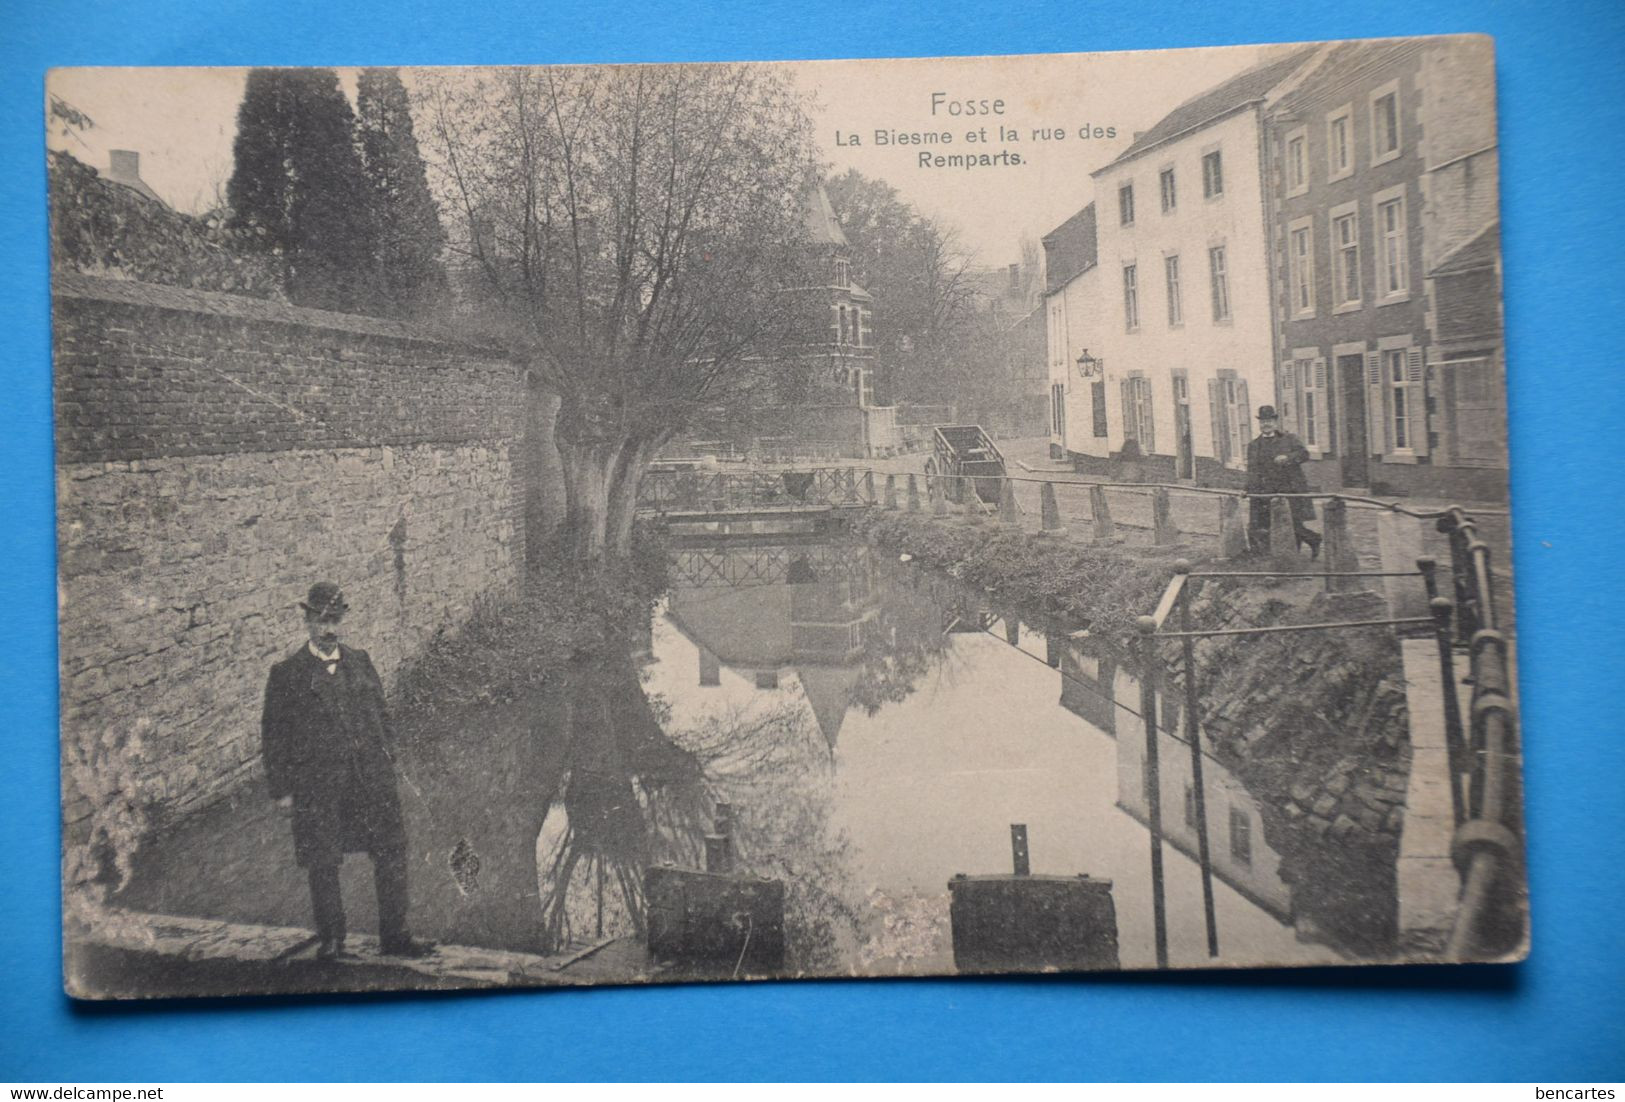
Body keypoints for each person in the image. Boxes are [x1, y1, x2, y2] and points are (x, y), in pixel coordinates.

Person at [261, 581, 434, 960]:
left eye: (336, 620)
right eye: (322, 621)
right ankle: (332, 938)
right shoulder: (287, 674)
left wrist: (388, 758)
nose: (330, 630)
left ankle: (396, 936)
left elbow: (382, 716)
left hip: (369, 781)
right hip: (319, 786)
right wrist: (282, 790)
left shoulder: (360, 661)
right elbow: (274, 736)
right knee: (323, 859)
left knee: (391, 850)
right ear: (307, 620)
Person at [1245, 405, 1321, 559]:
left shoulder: (1289, 439)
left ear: (1275, 422)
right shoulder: (1253, 445)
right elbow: (1252, 470)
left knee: (1293, 524)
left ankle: (1310, 542)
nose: (1266, 424)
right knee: (1265, 524)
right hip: (1265, 491)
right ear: (1259, 423)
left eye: (1269, 421)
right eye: (1263, 421)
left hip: (1290, 488)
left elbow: (1304, 454)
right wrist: (1246, 488)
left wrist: (1288, 458)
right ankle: (1278, 557)